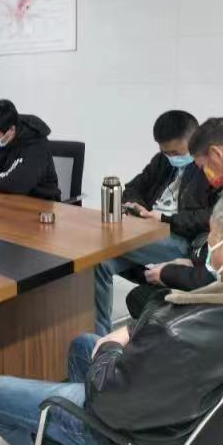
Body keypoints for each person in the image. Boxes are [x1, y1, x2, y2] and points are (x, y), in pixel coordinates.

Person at [0, 177, 223, 445]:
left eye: (212, 236)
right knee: (82, 344)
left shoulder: (179, 330)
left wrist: (110, 347)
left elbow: (108, 402)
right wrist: (131, 332)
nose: (207, 246)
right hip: (205, 433)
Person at [129, 117, 223, 313]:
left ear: (217, 154)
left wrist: (170, 272)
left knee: (143, 298)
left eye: (203, 167)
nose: (206, 175)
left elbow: (218, 275)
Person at [93, 111, 211, 335]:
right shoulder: (162, 161)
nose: (171, 157)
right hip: (147, 230)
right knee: (100, 262)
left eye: (176, 152)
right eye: (165, 152)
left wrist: (166, 219)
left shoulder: (208, 166)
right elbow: (133, 187)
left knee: (101, 244)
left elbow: (213, 216)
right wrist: (137, 206)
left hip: (181, 238)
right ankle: (100, 337)